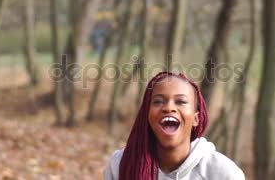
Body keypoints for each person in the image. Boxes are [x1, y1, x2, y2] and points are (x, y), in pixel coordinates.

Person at [103, 71, 245, 180]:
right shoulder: (121, 163)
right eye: (158, 101)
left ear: (196, 118)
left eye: (180, 102)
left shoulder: (224, 173)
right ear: (147, 115)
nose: (169, 107)